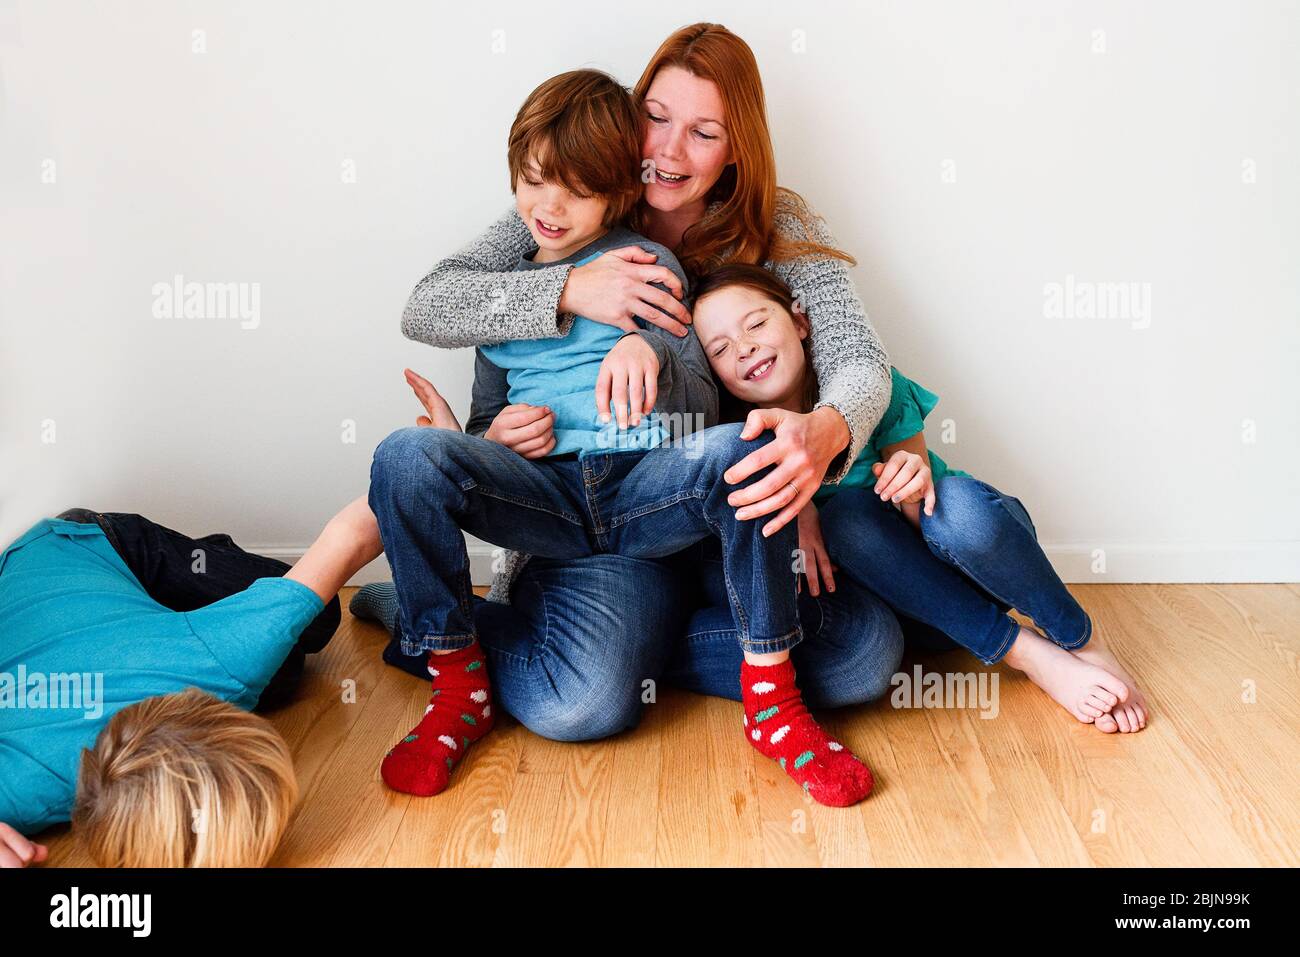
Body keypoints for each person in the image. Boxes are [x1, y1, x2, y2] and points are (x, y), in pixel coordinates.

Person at [354, 22, 902, 747]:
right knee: (579, 706)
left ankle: (622, 647)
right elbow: (431, 301)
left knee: (863, 653)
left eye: (704, 132)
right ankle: (561, 642)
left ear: (739, 147)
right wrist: (569, 288)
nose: (669, 151)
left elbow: (860, 360)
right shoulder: (572, 202)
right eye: (656, 118)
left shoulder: (778, 222)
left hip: (717, 515)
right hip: (593, 525)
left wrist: (824, 432)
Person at [688, 263, 1150, 733]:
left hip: (975, 561)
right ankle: (1029, 656)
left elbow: (926, 502)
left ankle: (1079, 640)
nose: (744, 347)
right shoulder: (740, 442)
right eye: (721, 349)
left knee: (961, 510)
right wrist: (799, 508)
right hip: (922, 613)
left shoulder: (865, 388)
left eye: (757, 323)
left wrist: (912, 485)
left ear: (802, 322)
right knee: (847, 520)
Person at [0, 497, 383, 867]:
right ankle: (200, 607)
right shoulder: (21, 788)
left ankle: (210, 567)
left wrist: (436, 451)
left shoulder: (224, 660)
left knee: (319, 617)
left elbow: (354, 532)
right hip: (57, 599)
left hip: (86, 545)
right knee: (284, 673)